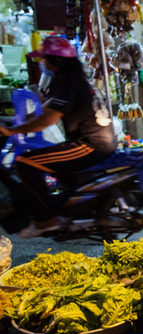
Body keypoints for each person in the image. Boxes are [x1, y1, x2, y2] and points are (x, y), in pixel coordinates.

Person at [0, 37, 115, 238]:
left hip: (90, 144)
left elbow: (47, 120)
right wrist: (14, 121)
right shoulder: (70, 79)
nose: (42, 63)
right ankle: (68, 211)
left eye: (45, 59)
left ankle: (46, 220)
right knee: (52, 162)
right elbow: (46, 110)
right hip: (96, 140)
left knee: (26, 162)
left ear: (56, 61)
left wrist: (13, 131)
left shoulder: (68, 81)